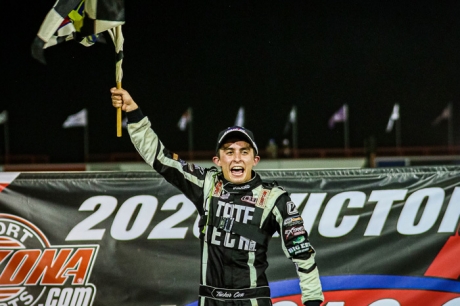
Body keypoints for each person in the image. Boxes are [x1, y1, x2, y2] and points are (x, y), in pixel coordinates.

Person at [110, 87, 324, 306]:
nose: (236, 158)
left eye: (244, 151)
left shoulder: (274, 198)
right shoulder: (207, 184)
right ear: (217, 160)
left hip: (252, 300)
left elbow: (302, 253)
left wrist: (313, 301)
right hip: (210, 300)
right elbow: (161, 158)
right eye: (229, 152)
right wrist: (134, 112)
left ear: (255, 159)